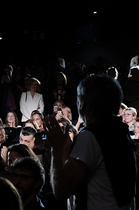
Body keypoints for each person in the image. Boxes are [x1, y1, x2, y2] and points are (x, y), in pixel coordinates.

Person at [44, 74, 136, 209]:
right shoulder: (120, 131)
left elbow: (61, 190)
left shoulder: (91, 137)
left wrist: (57, 148)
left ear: (83, 102)